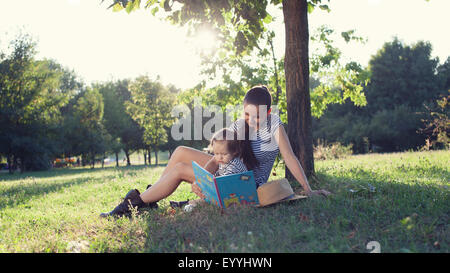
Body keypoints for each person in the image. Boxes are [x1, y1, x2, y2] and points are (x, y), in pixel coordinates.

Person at [100, 85, 330, 218]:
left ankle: (131, 206)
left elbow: (289, 157)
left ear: (269, 112)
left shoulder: (275, 126)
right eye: (247, 114)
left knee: (181, 169)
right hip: (229, 171)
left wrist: (308, 190)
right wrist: (202, 177)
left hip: (247, 184)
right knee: (180, 151)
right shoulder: (241, 125)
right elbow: (219, 155)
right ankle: (152, 198)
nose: (251, 120)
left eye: (257, 116)